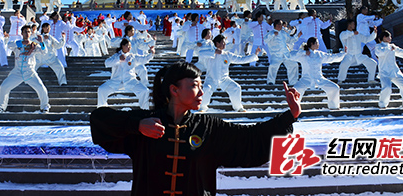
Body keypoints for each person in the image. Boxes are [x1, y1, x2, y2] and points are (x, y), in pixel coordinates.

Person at [90, 61, 300, 196]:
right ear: (174, 90)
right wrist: (135, 125)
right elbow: (99, 119)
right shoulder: (147, 122)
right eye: (194, 85)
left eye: (201, 85)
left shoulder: (209, 128)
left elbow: (250, 138)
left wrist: (289, 116)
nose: (201, 92)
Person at [198, 35, 260, 112]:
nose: (224, 44)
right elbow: (201, 53)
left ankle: (238, 107)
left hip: (224, 79)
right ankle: (203, 108)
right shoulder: (210, 53)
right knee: (207, 89)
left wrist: (255, 55)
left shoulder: (227, 54)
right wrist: (214, 52)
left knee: (236, 88)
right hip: (211, 79)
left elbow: (241, 59)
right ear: (217, 43)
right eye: (223, 42)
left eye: (225, 43)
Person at [0, 25, 50, 113]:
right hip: (17, 72)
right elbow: (9, 45)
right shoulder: (17, 43)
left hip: (29, 72)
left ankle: (45, 107)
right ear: (21, 33)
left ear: (31, 33)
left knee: (41, 88)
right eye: (25, 32)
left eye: (29, 32)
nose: (27, 33)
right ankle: (1, 107)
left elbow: (44, 52)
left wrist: (41, 42)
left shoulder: (34, 45)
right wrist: (21, 44)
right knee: (3, 87)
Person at [97, 38, 154, 109]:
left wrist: (151, 54)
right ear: (122, 46)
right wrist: (118, 59)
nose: (129, 47)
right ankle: (101, 110)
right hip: (116, 81)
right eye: (127, 46)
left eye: (130, 46)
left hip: (130, 80)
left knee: (145, 91)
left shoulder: (132, 56)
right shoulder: (116, 56)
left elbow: (143, 59)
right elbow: (107, 63)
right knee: (102, 89)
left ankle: (144, 111)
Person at [291, 37, 345, 110]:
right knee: (295, 91)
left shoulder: (319, 54)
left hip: (319, 78)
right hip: (306, 79)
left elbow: (331, 57)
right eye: (317, 43)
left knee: (334, 88)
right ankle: (294, 109)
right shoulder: (303, 55)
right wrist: (303, 52)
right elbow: (291, 55)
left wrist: (343, 54)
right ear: (312, 44)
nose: (318, 45)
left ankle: (334, 107)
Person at [375, 30, 403, 108]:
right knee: (387, 88)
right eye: (389, 36)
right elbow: (379, 53)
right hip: (384, 72)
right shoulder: (378, 46)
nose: (390, 38)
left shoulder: (392, 46)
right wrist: (389, 49)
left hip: (395, 72)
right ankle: (382, 105)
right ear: (384, 37)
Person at [338, 20, 378, 84]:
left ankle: (371, 79)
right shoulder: (343, 33)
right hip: (349, 56)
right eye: (353, 24)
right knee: (343, 65)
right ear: (349, 25)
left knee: (373, 63)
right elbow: (344, 36)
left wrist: (374, 33)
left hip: (359, 55)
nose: (354, 25)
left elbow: (367, 39)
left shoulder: (358, 34)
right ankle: (340, 80)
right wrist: (352, 33)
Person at [264, 20, 300, 85]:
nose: (281, 26)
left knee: (293, 65)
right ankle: (270, 82)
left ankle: (293, 82)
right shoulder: (270, 33)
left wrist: (297, 36)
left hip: (285, 54)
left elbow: (290, 40)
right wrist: (272, 35)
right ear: (276, 25)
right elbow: (265, 40)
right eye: (279, 25)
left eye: (281, 25)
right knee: (273, 66)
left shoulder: (283, 33)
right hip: (276, 55)